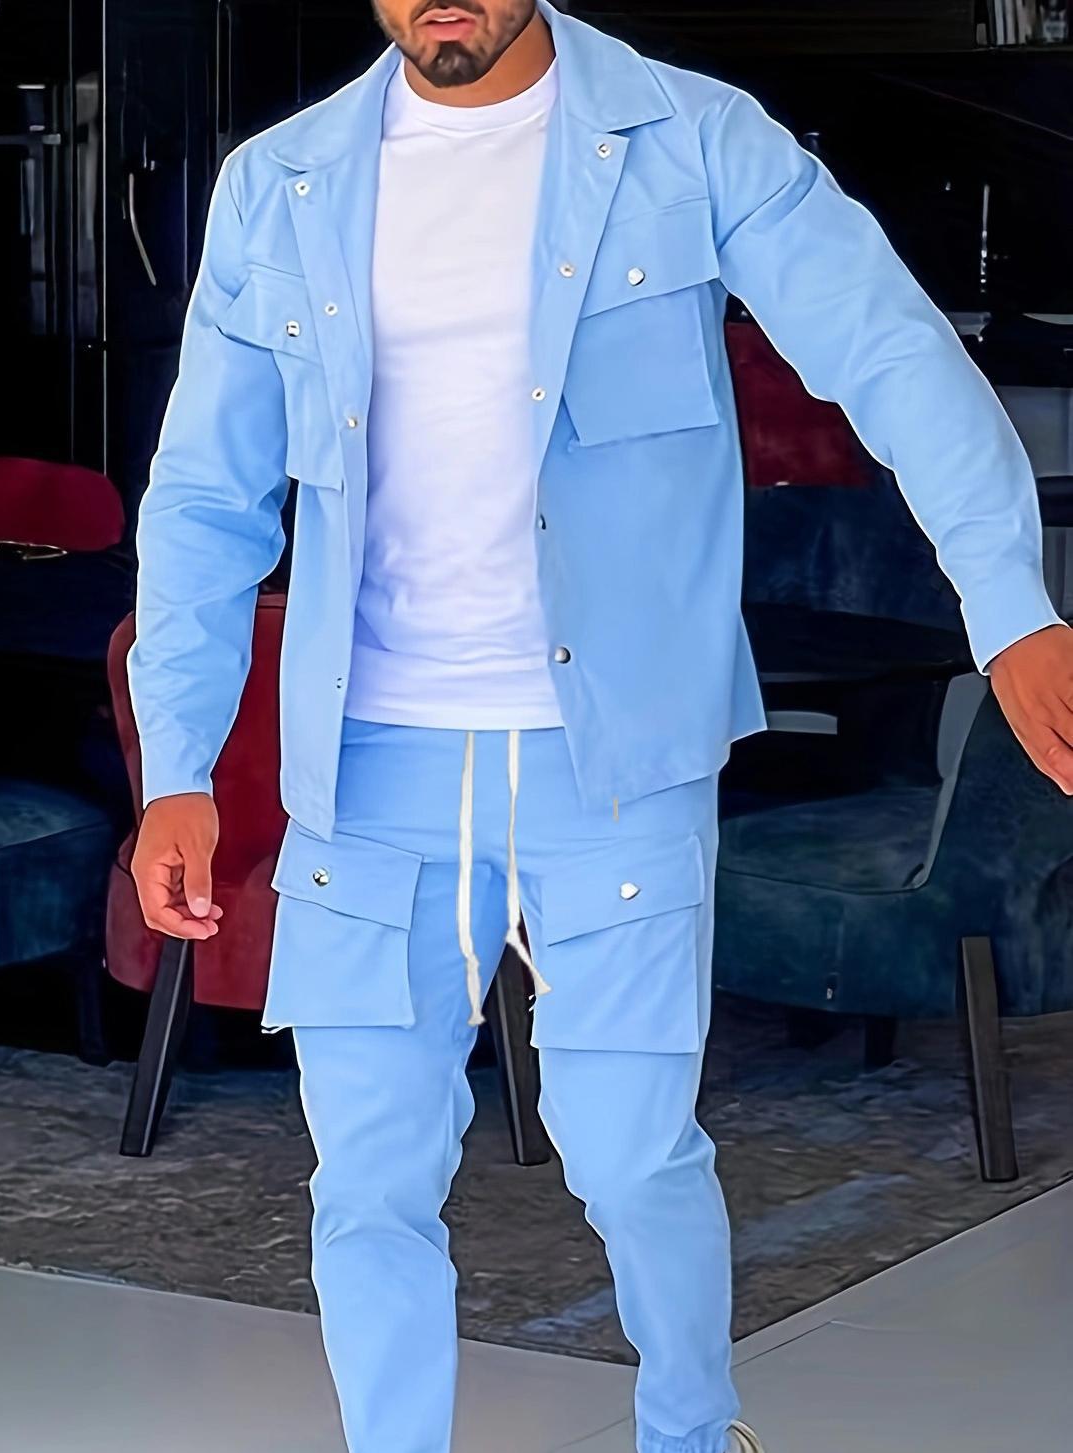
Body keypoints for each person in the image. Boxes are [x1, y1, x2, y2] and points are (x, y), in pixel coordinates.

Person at [127, 3, 1073, 1450]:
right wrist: (179, 763)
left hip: (611, 757)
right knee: (366, 1181)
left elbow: (890, 351)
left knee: (631, 1157)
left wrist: (1009, 605)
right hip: (366, 762)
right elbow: (205, 492)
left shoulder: (693, 141)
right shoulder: (282, 183)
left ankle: (691, 1432)